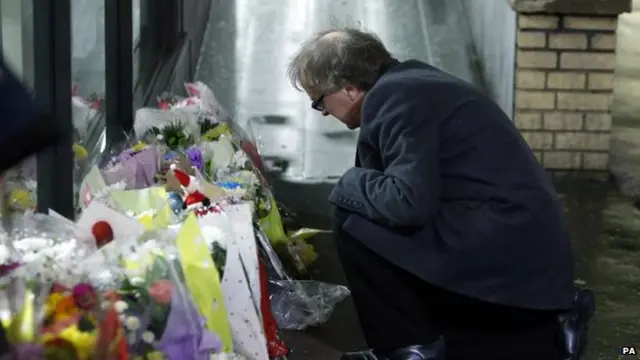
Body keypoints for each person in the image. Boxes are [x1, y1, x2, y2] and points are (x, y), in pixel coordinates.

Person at [287, 28, 592, 360]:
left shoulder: (395, 99)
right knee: (366, 200)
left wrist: (349, 182)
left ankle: (408, 347)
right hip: (515, 235)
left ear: (347, 88)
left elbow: (406, 203)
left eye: (319, 102)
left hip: (510, 241)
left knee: (353, 213)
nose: (323, 113)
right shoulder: (411, 84)